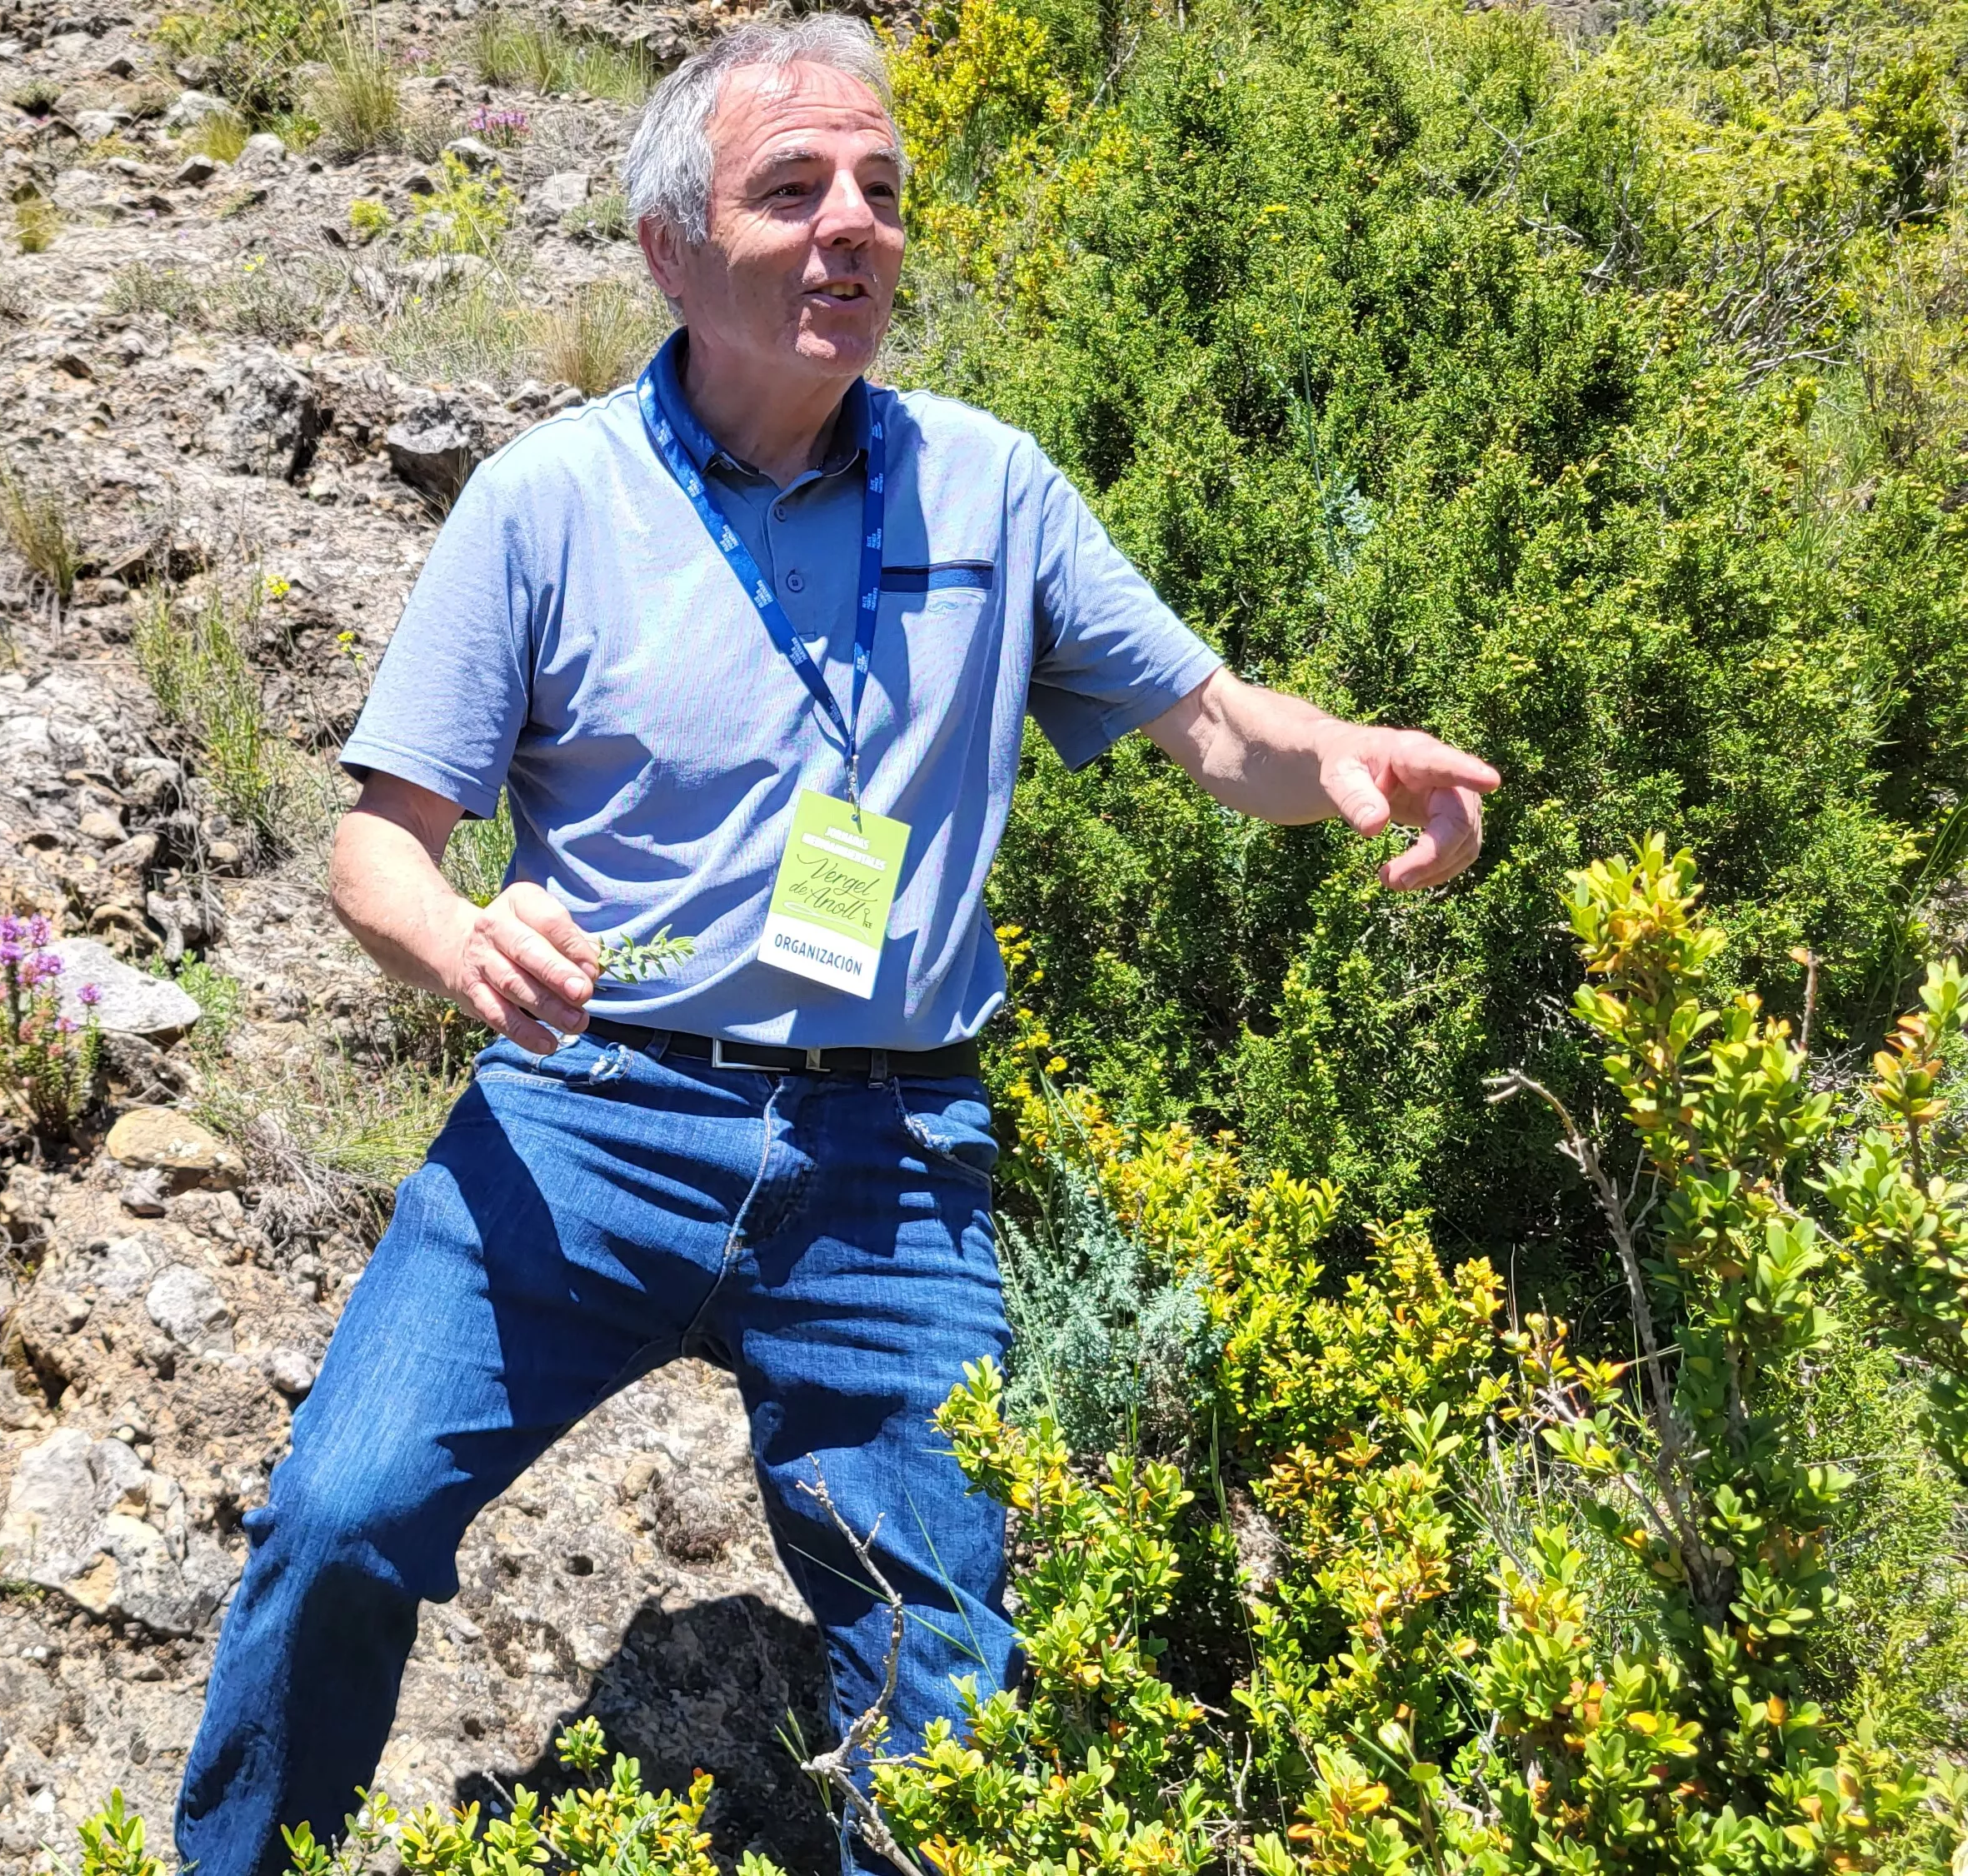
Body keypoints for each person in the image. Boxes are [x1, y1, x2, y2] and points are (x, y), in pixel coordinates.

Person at [170, 17, 1501, 1876]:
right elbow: (372, 850)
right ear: (668, 249)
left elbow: (1209, 727)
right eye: (787, 189)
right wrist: (466, 944)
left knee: (944, 1668)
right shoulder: (545, 502)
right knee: (338, 1517)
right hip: (591, 1120)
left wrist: (1333, 757)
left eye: (877, 188)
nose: (849, 226)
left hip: (889, 1157)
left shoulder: (990, 489)